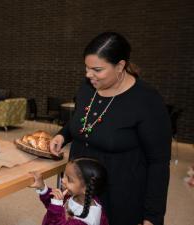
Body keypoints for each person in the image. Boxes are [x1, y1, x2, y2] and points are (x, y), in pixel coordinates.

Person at [49, 32, 171, 225]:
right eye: (87, 68)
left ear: (120, 66)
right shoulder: (88, 87)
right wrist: (62, 136)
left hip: (119, 198)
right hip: (80, 191)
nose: (89, 75)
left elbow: (159, 163)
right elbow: (82, 120)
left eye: (97, 69)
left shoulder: (147, 100)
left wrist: (152, 217)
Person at [30, 157, 108, 225]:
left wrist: (56, 206)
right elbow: (52, 204)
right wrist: (42, 187)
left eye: (69, 179)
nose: (63, 180)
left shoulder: (88, 219)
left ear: (86, 188)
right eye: (64, 175)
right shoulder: (74, 195)